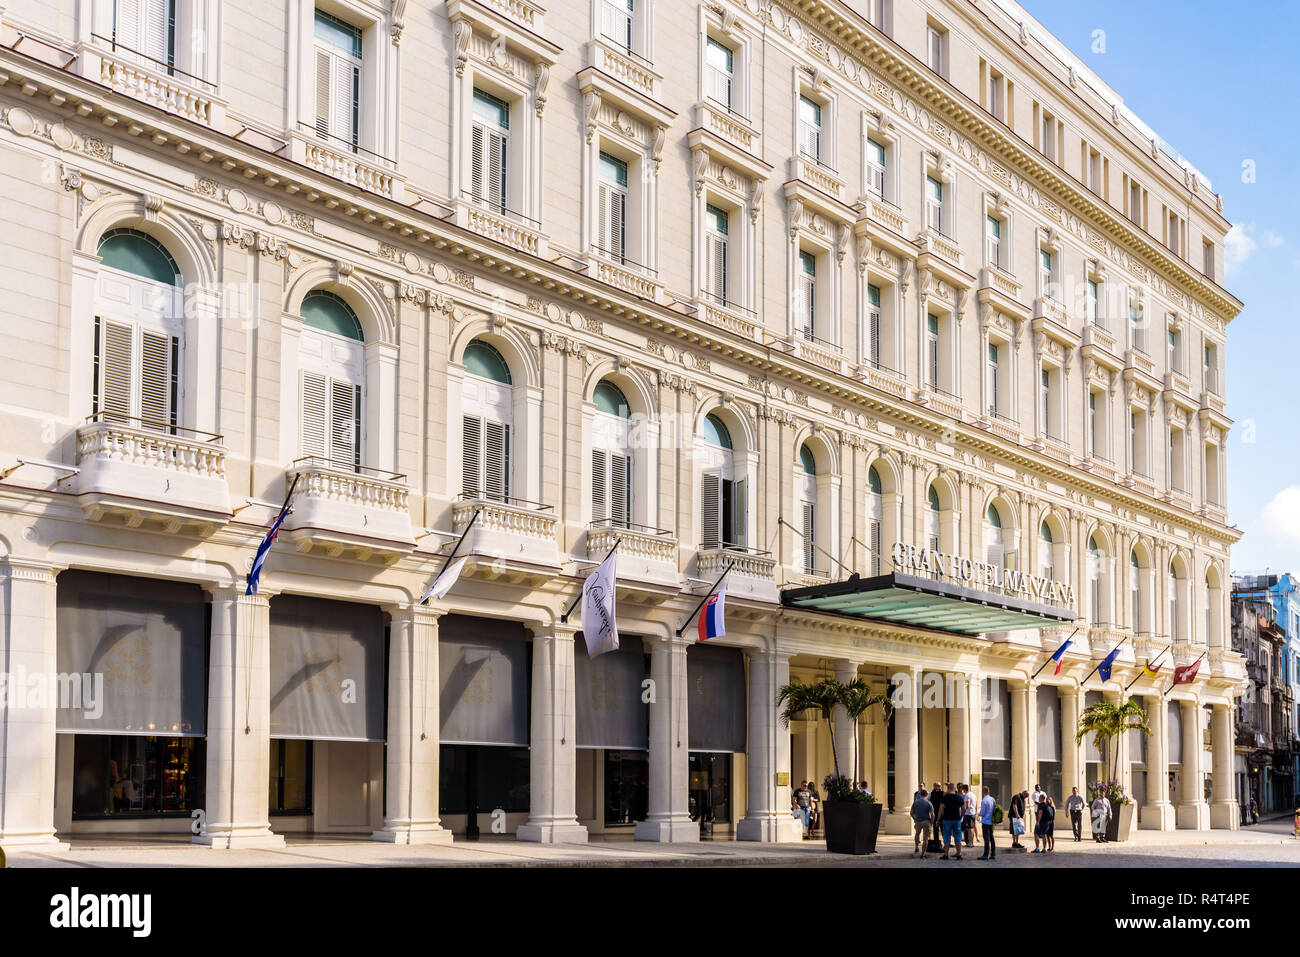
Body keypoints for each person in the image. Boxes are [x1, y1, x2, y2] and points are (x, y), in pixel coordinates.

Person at [939, 782, 965, 860]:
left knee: (947, 837)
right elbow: (964, 809)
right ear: (955, 789)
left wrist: (938, 819)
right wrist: (961, 816)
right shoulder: (959, 797)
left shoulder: (945, 797)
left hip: (947, 819)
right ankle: (959, 854)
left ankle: (946, 855)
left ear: (948, 789)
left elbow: (941, 809)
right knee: (958, 837)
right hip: (956, 820)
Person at [910, 787, 935, 858]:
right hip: (926, 821)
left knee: (917, 834)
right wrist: (931, 822)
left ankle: (916, 847)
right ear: (927, 795)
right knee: (925, 838)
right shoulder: (929, 803)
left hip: (918, 821)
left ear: (920, 794)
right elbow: (932, 814)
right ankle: (923, 854)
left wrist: (915, 819)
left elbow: (911, 813)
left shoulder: (916, 802)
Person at [978, 785, 996, 861]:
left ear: (983, 792)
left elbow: (982, 812)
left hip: (985, 821)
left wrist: (978, 814)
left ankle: (985, 855)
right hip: (991, 821)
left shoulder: (984, 800)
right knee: (991, 838)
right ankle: (993, 854)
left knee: (986, 839)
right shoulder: (992, 799)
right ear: (988, 791)